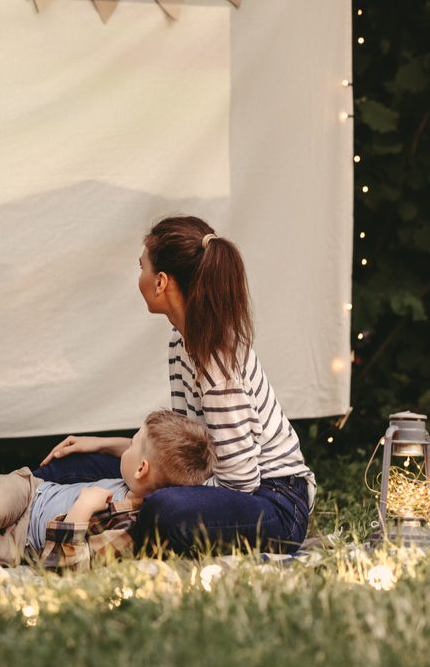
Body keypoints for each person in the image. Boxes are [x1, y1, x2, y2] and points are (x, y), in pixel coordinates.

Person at [37, 215, 316, 554]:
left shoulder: (216, 364)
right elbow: (181, 451)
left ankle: (87, 535)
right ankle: (15, 512)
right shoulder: (179, 342)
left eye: (142, 268)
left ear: (161, 282)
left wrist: (151, 488)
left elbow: (241, 481)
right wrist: (102, 444)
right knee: (69, 468)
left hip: (274, 502)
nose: (139, 277)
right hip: (219, 480)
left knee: (164, 510)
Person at [0, 410, 215, 566]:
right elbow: (140, 455)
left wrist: (81, 510)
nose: (127, 444)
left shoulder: (126, 526)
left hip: (22, 546)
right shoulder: (140, 478)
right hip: (30, 493)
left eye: (132, 442)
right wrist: (104, 443)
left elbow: (66, 568)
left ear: (141, 469)